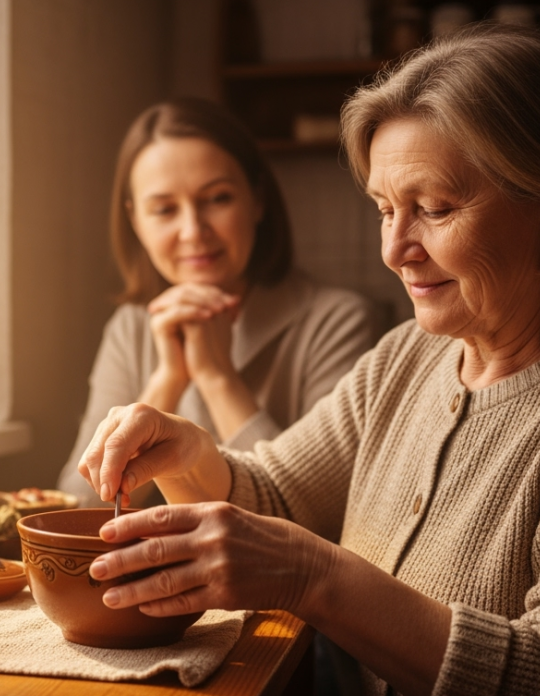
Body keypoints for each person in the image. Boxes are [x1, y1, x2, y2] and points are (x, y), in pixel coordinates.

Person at [74, 25, 540, 695]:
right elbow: (277, 499)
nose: (395, 249)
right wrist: (188, 454)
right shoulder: (410, 354)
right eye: (383, 209)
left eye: (432, 208)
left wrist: (315, 577)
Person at [56, 97, 379, 507]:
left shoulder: (338, 321)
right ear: (136, 221)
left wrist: (216, 376)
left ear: (257, 200)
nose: (193, 230)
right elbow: (79, 511)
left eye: (217, 199)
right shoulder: (131, 326)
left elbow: (323, 513)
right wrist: (168, 381)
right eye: (164, 209)